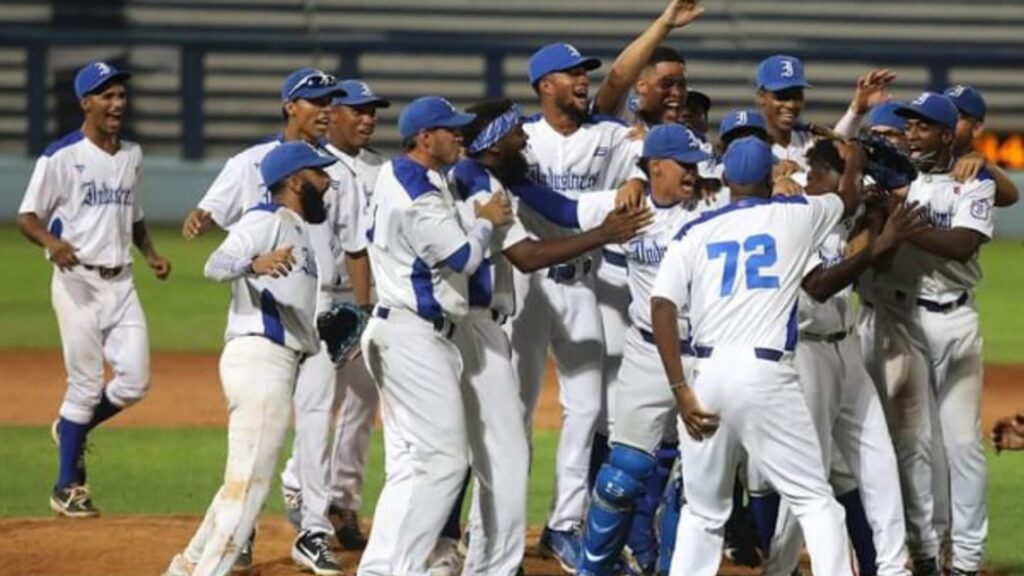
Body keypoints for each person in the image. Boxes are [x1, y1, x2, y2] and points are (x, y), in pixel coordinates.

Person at [446, 97, 652, 575]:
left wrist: (629, 191)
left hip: (554, 292)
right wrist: (608, 231)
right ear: (496, 140)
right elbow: (528, 255)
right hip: (494, 311)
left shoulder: (496, 174)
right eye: (516, 131)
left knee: (573, 413)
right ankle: (475, 543)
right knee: (493, 436)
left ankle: (541, 533)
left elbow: (564, 206)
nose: (525, 138)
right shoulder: (482, 184)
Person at [650, 136, 865, 576]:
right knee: (815, 501)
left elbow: (662, 307)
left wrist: (681, 390)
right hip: (764, 373)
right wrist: (856, 155)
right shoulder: (796, 215)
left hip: (705, 377)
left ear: (726, 178)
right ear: (771, 177)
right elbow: (848, 196)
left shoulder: (695, 231)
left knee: (703, 513)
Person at [182, 67, 355, 574]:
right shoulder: (264, 215)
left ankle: (190, 563)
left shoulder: (297, 226)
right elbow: (216, 259)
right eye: (320, 174)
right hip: (261, 354)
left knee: (251, 474)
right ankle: (219, 558)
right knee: (249, 481)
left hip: (293, 344)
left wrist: (338, 324)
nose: (329, 179)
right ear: (296, 181)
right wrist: (248, 262)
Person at [356, 96, 513, 576]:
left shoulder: (397, 175)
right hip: (414, 336)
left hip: (397, 329)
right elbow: (464, 258)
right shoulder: (418, 193)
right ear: (425, 138)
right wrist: (485, 220)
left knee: (410, 463)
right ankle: (403, 569)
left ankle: (379, 568)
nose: (461, 136)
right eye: (451, 130)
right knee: (445, 462)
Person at [512, 41, 649, 571]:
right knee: (515, 412)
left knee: (588, 408)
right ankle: (491, 528)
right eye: (571, 75)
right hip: (527, 290)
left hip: (580, 285)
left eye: (584, 73)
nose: (583, 81)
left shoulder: (610, 134)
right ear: (545, 85)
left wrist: (637, 175)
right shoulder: (520, 139)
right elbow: (563, 210)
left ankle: (563, 525)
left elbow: (646, 156)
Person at [16, 61, 170, 518]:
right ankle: (67, 488)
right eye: (107, 96)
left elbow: (134, 215)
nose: (117, 103)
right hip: (77, 283)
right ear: (86, 102)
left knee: (135, 382)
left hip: (121, 282)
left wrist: (150, 253)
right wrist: (51, 242)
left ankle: (71, 429)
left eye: (121, 95)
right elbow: (27, 217)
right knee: (84, 385)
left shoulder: (132, 155)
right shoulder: (61, 156)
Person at [571, 124, 712, 576]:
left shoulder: (716, 201)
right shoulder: (628, 207)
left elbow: (758, 178)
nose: (694, 171)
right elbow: (555, 205)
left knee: (696, 483)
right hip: (648, 353)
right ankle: (594, 570)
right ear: (655, 167)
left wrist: (786, 174)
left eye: (696, 163)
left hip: (709, 358)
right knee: (621, 476)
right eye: (684, 164)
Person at [278, 78, 387, 552]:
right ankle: (297, 481)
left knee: (362, 404)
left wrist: (367, 309)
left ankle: (342, 500)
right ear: (334, 114)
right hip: (322, 298)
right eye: (356, 110)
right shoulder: (314, 166)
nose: (366, 119)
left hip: (369, 294)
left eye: (372, 112)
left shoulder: (383, 168)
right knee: (320, 405)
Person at [889, 92, 995, 576]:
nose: (912, 134)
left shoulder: (973, 180)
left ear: (947, 134)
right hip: (904, 321)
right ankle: (926, 551)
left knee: (962, 444)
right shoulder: (898, 177)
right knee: (914, 443)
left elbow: (962, 244)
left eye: (922, 127)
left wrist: (905, 229)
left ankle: (967, 560)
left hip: (955, 322)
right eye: (908, 126)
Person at [943, 85, 1019, 208]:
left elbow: (1011, 196)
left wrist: (986, 163)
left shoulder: (975, 171)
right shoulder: (916, 152)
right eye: (943, 113)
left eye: (956, 116)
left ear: (976, 129)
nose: (947, 121)